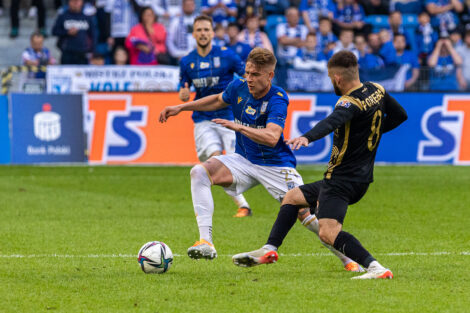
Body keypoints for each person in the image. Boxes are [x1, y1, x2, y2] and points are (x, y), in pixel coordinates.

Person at [160, 47, 364, 272]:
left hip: (275, 165)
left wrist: (239, 127)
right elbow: (217, 100)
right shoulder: (237, 87)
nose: (249, 78)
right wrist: (181, 107)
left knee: (305, 215)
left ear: (269, 75)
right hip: (244, 160)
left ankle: (348, 259)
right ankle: (206, 241)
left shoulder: (277, 98)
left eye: (255, 74)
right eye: (247, 72)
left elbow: (272, 136)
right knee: (199, 172)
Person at [232, 50, 408, 280]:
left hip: (342, 180)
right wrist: (369, 137)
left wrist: (307, 137)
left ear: (337, 78)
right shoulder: (377, 89)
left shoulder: (349, 101)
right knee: (293, 197)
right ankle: (270, 249)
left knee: (328, 232)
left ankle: (375, 268)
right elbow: (400, 115)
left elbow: (330, 122)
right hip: (358, 177)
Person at [177, 15, 252, 218]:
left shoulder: (227, 56)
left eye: (206, 30)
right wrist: (182, 94)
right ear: (194, 34)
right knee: (215, 160)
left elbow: (247, 74)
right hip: (203, 119)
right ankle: (243, 206)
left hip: (228, 116)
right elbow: (183, 86)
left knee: (232, 163)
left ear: (212, 33)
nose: (202, 33)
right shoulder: (187, 61)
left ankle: (245, 204)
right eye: (199, 30)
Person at [52, 0, 95, 65]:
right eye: (73, 1)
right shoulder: (63, 16)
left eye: (78, 1)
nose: (75, 3)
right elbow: (54, 31)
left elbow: (93, 35)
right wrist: (67, 32)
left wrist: (92, 50)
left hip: (83, 52)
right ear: (69, 2)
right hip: (67, 52)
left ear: (82, 2)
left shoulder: (87, 18)